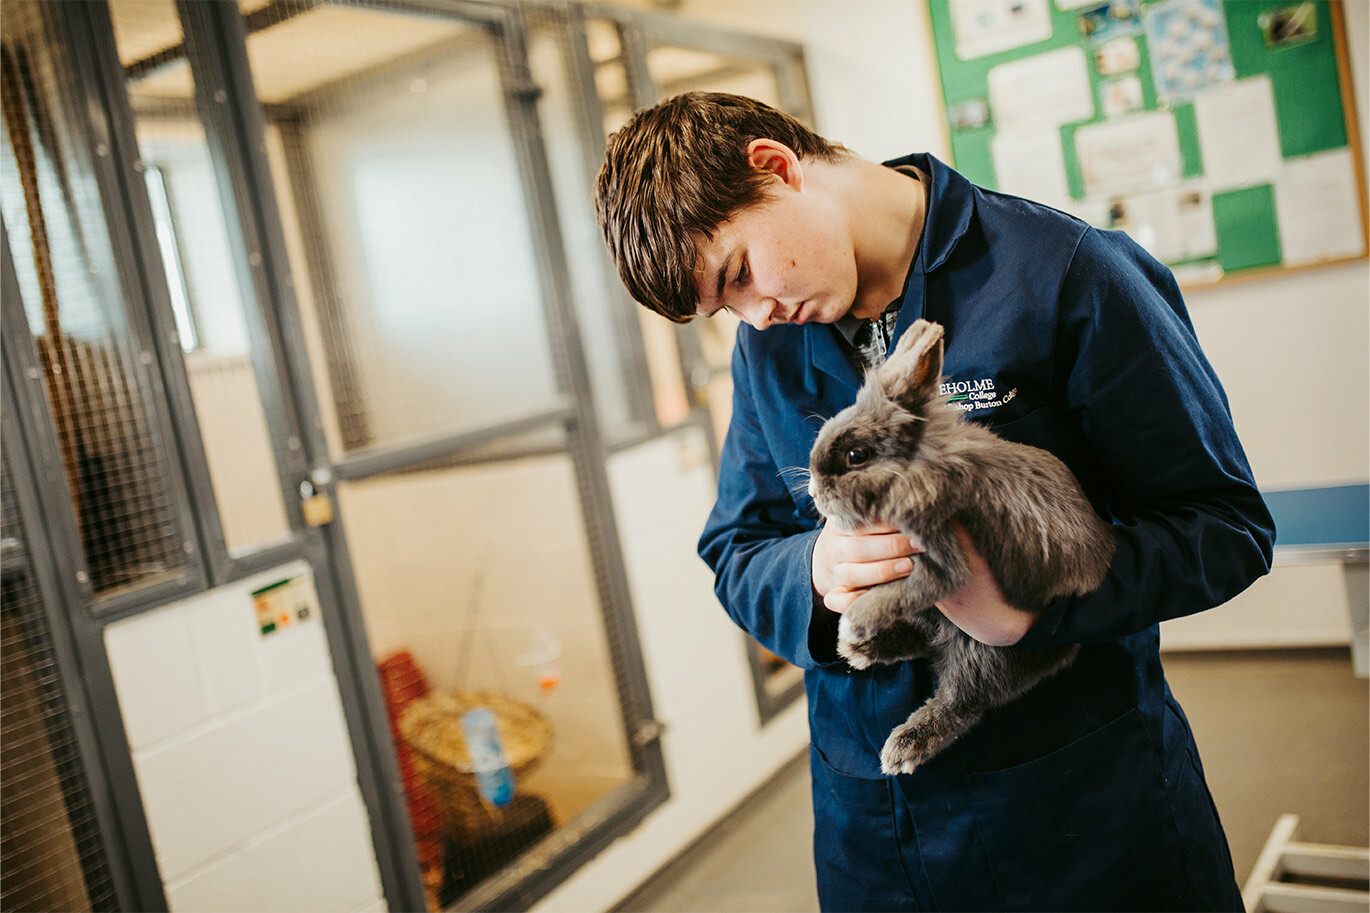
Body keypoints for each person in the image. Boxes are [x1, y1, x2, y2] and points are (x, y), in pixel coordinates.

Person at [594, 91, 1275, 912]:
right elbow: (738, 545)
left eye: (739, 272)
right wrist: (815, 570)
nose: (757, 315)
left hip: (1077, 808)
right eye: (725, 307)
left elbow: (1225, 526)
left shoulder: (1063, 273)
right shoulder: (766, 349)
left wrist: (1034, 605)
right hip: (874, 830)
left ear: (776, 167)